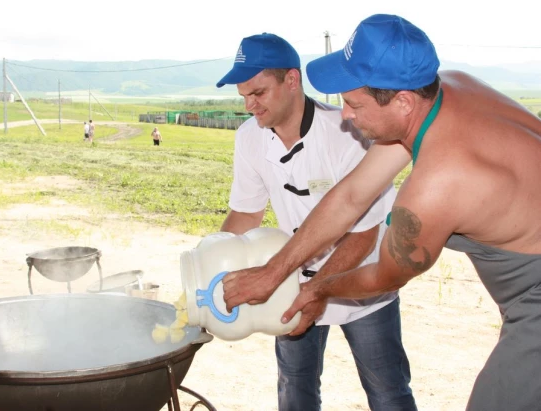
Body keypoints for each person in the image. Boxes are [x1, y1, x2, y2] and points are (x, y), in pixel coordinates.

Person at [222, 15, 541, 411]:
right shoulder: (446, 92)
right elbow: (351, 196)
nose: (345, 116)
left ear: (403, 102)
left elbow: (383, 276)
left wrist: (314, 289)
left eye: (354, 104)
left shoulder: (437, 184)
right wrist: (274, 272)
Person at [216, 33, 417, 411]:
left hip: (362, 283)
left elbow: (363, 236)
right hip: (290, 281)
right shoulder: (249, 138)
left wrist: (316, 290)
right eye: (243, 95)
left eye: (258, 92)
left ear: (292, 80)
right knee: (295, 391)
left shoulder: (348, 133)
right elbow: (246, 213)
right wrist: (208, 261)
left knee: (388, 391)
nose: (248, 105)